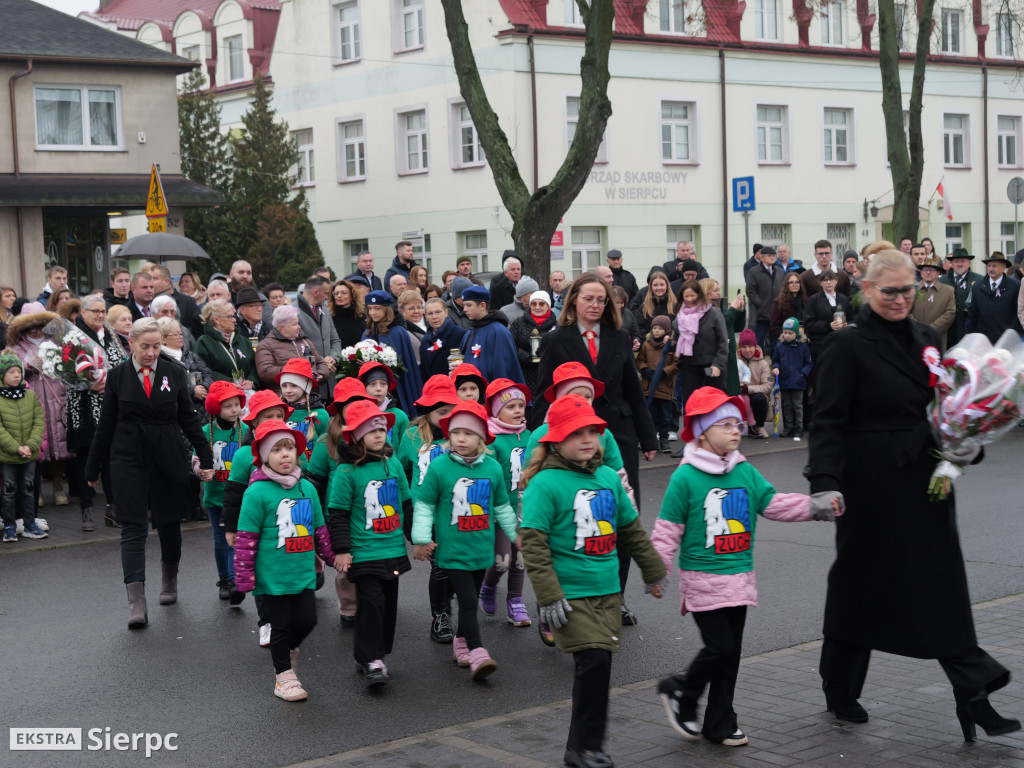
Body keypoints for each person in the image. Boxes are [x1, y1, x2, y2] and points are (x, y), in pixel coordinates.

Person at [808, 246, 1021, 741]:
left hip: (927, 478)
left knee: (941, 584)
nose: (901, 299)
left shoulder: (928, 337)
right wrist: (824, 483)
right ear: (867, 290)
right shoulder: (848, 345)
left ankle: (974, 695)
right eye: (891, 291)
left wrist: (968, 435)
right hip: (868, 483)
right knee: (859, 585)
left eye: (907, 290)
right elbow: (828, 421)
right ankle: (839, 685)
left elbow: (949, 404)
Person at [652, 387, 840, 748]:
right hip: (703, 577)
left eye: (738, 423)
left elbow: (773, 503)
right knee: (720, 647)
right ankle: (681, 691)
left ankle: (720, 722)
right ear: (702, 432)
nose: (736, 430)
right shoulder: (686, 477)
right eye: (725, 424)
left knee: (731, 653)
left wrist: (817, 506)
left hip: (739, 577)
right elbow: (667, 529)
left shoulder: (744, 471)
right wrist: (656, 569)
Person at [520, 394, 666, 768]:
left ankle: (583, 747)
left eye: (593, 432)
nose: (587, 439)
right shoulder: (545, 483)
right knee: (594, 663)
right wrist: (548, 596)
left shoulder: (607, 478)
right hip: (571, 594)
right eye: (576, 433)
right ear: (554, 439)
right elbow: (533, 545)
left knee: (600, 667)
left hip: (606, 591)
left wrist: (653, 570)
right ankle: (585, 748)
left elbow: (630, 529)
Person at [86, 318, 215, 629]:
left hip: (167, 453)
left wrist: (206, 457)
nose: (151, 352)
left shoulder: (174, 371)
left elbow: (188, 418)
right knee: (132, 526)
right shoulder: (117, 377)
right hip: (127, 455)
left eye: (157, 346)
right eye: (145, 346)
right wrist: (91, 468)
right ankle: (137, 602)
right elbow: (105, 426)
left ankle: (169, 580)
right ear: (131, 343)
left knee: (169, 521)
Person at [531, 274, 658, 541]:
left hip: (618, 432)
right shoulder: (555, 340)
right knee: (585, 508)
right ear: (573, 300)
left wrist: (648, 439)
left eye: (601, 300)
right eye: (588, 299)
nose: (595, 305)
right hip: (574, 436)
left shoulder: (619, 338)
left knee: (624, 507)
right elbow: (544, 395)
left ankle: (618, 577)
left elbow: (634, 392)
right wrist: (537, 440)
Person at [411, 399, 518, 679]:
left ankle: (460, 641)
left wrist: (518, 536)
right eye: (456, 432)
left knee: (471, 596)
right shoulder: (439, 468)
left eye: (468, 433)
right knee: (469, 602)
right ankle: (477, 652)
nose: (460, 438)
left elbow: (501, 507)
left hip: (481, 549)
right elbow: (424, 505)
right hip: (452, 550)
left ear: (481, 437)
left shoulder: (493, 468)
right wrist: (421, 539)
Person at [234, 420, 337, 701]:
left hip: (302, 572)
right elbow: (246, 538)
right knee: (280, 626)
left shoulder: (307, 488)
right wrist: (243, 576)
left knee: (307, 620)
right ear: (265, 455)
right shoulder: (256, 492)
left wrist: (332, 557)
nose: (285, 455)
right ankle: (283, 677)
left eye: (290, 448)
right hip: (272, 576)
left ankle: (288, 652)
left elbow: (319, 528)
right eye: (277, 449)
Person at [328, 400, 412, 688]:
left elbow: (406, 503)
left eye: (382, 429)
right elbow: (337, 514)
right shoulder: (346, 472)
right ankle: (371, 658)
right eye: (371, 430)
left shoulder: (394, 463)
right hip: (364, 552)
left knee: (388, 605)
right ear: (354, 435)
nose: (379, 435)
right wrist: (341, 550)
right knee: (372, 603)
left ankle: (374, 653)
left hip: (393, 549)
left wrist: (420, 539)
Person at [404, 375, 460, 643]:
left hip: (457, 510)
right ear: (428, 411)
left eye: (451, 410)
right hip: (427, 510)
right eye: (441, 412)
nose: (447, 416)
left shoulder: (461, 432)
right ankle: (440, 616)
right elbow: (401, 467)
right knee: (439, 566)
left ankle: (447, 599)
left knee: (454, 564)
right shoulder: (413, 435)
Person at [67, 294, 128, 531]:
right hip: (84, 407)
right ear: (83, 313)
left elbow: (121, 360)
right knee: (85, 457)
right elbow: (66, 370)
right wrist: (89, 383)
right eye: (95, 311)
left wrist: (112, 382)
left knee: (111, 457)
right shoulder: (72, 336)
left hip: (110, 405)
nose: (101, 315)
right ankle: (86, 508)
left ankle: (113, 508)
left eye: (103, 311)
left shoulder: (110, 333)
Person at [478, 379, 533, 627]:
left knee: (520, 559)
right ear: (496, 410)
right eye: (511, 406)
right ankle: (488, 586)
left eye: (521, 405)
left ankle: (515, 602)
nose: (518, 411)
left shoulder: (530, 436)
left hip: (526, 510)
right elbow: (486, 477)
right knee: (502, 560)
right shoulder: (491, 440)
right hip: (501, 511)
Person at [6, 303, 72, 507]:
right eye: (31, 325)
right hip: (31, 398)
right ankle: (37, 490)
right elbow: (8, 367)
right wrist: (28, 364)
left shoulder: (57, 340)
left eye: (39, 324)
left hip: (56, 395)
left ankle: (59, 486)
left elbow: (68, 364)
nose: (35, 329)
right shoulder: (17, 345)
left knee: (59, 444)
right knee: (36, 443)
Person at [199, 381, 247, 600]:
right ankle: (225, 579)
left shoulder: (246, 430)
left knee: (240, 539)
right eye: (228, 406)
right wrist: (201, 471)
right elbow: (195, 459)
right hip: (216, 497)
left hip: (241, 498)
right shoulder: (205, 432)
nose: (235, 410)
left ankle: (238, 579)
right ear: (216, 408)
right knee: (221, 541)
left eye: (237, 404)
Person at [0, 351, 46, 542]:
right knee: (9, 490)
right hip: (8, 455)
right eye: (11, 372)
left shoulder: (31, 396)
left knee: (28, 488)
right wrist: (15, 447)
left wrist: (30, 445)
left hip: (29, 453)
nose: (17, 375)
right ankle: (9, 525)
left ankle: (29, 524)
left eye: (18, 371)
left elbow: (39, 421)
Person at [362, 291, 423, 417]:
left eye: (377, 308)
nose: (373, 312)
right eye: (370, 308)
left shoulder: (397, 332)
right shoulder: (368, 332)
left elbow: (402, 364)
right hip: (372, 386)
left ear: (387, 309)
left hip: (396, 388)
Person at [674, 280, 728, 408]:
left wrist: (718, 365)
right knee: (691, 405)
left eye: (692, 295)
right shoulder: (679, 318)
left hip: (711, 366)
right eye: (686, 296)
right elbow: (677, 341)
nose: (689, 299)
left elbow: (722, 342)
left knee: (714, 403)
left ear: (699, 295)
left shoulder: (714, 314)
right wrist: (671, 343)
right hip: (689, 367)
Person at [457, 286, 525, 384]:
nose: (465, 309)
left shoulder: (499, 332)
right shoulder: (469, 333)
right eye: (464, 305)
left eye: (469, 305)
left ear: (482, 305)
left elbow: (504, 372)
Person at [255, 305, 329, 393]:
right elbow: (265, 373)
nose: (299, 327)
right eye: (295, 324)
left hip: (311, 396)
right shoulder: (265, 345)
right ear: (283, 327)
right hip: (285, 398)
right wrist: (295, 370)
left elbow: (320, 363)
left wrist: (321, 374)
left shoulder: (305, 341)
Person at [156, 317, 212, 421]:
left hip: (203, 409)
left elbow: (208, 374)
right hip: (180, 413)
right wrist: (192, 391)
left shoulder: (190, 355)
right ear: (162, 339)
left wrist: (204, 387)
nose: (180, 337)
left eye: (181, 334)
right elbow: (166, 385)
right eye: (176, 334)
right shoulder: (160, 359)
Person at [296, 275, 341, 401]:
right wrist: (322, 362)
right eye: (326, 293)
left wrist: (333, 357)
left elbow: (335, 340)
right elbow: (298, 345)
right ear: (315, 292)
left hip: (330, 380)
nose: (327, 297)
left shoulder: (325, 311)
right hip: (311, 381)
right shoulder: (293, 311)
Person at [193, 300, 257, 389]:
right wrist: (227, 382)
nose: (234, 320)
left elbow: (255, 365)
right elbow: (200, 370)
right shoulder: (204, 342)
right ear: (216, 320)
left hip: (248, 392)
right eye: (230, 317)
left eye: (234, 316)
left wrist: (251, 381)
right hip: (221, 393)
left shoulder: (244, 342)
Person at [637, 316, 678, 453]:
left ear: (666, 330)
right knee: (650, 415)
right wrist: (644, 369)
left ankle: (664, 440)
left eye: (660, 328)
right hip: (649, 387)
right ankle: (650, 440)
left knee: (665, 416)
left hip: (665, 387)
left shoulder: (671, 346)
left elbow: (677, 364)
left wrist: (664, 372)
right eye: (654, 328)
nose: (656, 331)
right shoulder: (646, 344)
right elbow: (640, 360)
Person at [966, 252, 1022, 343]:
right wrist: (968, 336)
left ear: (1003, 268)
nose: (991, 269)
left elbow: (1018, 313)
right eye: (989, 266)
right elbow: (973, 314)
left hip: (1007, 340)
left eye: (994, 266)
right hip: (983, 341)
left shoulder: (1015, 286)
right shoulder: (978, 286)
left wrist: (1011, 333)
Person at [510, 290, 558, 394]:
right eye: (534, 303)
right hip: (524, 372)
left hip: (549, 373)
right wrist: (527, 358)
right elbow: (511, 346)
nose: (537, 307)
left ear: (548, 306)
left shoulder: (557, 325)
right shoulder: (518, 323)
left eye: (541, 304)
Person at [771, 318, 812, 441]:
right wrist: (776, 368)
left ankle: (798, 428)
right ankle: (788, 427)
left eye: (790, 333)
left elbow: (808, 363)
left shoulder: (803, 346)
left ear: (796, 334)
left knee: (797, 405)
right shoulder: (780, 346)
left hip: (798, 381)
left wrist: (802, 374)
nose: (787, 335)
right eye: (785, 332)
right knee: (786, 405)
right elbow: (776, 360)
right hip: (785, 380)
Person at [803, 270, 853, 363]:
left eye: (831, 279)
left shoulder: (844, 299)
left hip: (841, 344)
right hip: (820, 345)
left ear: (836, 281)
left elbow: (852, 319)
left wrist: (847, 325)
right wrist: (828, 325)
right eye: (825, 280)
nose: (828, 282)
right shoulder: (813, 300)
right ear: (820, 283)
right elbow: (809, 323)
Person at [745, 245, 785, 354]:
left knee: (775, 343)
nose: (772, 258)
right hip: (760, 314)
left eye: (773, 256)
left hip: (776, 314)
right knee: (759, 342)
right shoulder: (754, 272)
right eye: (769, 256)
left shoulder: (779, 271)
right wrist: (760, 303)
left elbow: (783, 290)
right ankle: (759, 365)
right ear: (762, 258)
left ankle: (775, 365)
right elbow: (750, 290)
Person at [911, 257, 956, 351]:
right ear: (921, 272)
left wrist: (930, 331)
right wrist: (919, 329)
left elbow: (950, 314)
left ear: (938, 273)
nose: (928, 272)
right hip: (915, 337)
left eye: (932, 270)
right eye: (925, 269)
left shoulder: (948, 291)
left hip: (937, 339)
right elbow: (907, 311)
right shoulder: (911, 289)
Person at [939, 247, 981, 348]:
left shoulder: (979, 281)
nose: (960, 264)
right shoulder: (941, 282)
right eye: (956, 261)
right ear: (952, 264)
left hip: (970, 335)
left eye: (963, 261)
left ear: (969, 263)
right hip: (947, 335)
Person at [146, 263, 201, 337]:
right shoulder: (146, 302)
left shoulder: (188, 302)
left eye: (154, 279)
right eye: (149, 279)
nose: (150, 282)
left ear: (167, 281)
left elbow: (198, 332)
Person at [735, 329, 772, 438]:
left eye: (750, 346)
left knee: (759, 398)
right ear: (740, 348)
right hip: (739, 393)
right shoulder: (735, 362)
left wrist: (748, 389)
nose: (747, 350)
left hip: (755, 395)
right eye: (744, 347)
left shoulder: (763, 363)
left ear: (755, 346)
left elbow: (768, 386)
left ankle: (759, 426)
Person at [420, 297, 467, 380]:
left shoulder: (460, 334)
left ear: (446, 313)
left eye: (438, 312)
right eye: (430, 313)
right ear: (426, 317)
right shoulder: (424, 342)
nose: (434, 317)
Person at [638, 271, 677, 337]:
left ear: (667, 286)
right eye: (655, 285)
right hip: (649, 345)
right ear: (651, 287)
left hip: (670, 345)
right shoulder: (644, 307)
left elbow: (678, 327)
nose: (659, 288)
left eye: (662, 285)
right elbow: (639, 328)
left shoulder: (675, 306)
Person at [328, 279, 366, 348]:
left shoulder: (361, 316)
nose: (339, 296)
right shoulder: (329, 317)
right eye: (336, 293)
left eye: (344, 293)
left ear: (352, 296)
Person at [770, 272, 807, 341]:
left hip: (803, 339)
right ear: (786, 285)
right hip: (785, 341)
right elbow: (774, 326)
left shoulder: (806, 301)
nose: (794, 284)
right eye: (791, 282)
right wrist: (788, 335)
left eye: (797, 282)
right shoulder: (778, 302)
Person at [397, 290, 427, 361]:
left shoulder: (430, 323)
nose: (416, 311)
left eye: (419, 307)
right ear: (402, 311)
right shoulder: (402, 330)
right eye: (411, 308)